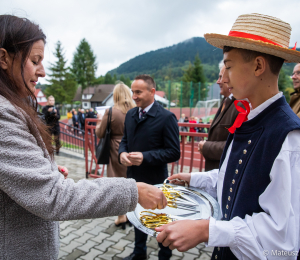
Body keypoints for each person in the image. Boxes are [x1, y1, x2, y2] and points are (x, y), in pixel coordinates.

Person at [0, 15, 167, 260]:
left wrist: (45, 170)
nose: (42, 71)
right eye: (35, 61)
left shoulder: (15, 107)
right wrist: (133, 191)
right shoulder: (5, 115)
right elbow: (53, 196)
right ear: (4, 58)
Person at [156, 13, 300, 260]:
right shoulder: (248, 116)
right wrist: (195, 179)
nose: (224, 76)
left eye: (229, 66)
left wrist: (207, 230)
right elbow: (236, 177)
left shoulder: (288, 137)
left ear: (257, 66)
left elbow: (282, 241)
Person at [119, 74, 180, 260]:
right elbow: (125, 141)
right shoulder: (130, 114)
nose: (134, 96)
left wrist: (145, 157)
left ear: (152, 92)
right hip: (135, 177)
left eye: (138, 92)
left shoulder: (166, 117)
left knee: (161, 220)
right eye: (132, 92)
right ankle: (139, 253)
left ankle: (165, 254)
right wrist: (122, 153)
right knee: (138, 217)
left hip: (156, 181)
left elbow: (173, 152)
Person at [96, 82, 136, 229]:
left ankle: (121, 217)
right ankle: (133, 215)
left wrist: (99, 122)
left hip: (116, 149)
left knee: (119, 183)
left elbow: (100, 133)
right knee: (132, 181)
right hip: (134, 148)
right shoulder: (136, 110)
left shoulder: (111, 111)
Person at [198, 63, 239, 171]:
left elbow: (237, 146)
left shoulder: (240, 106)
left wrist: (206, 147)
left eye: (220, 77)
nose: (218, 81)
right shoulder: (226, 101)